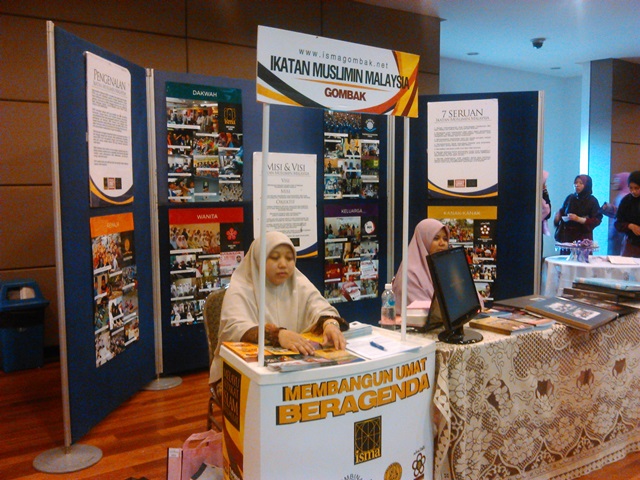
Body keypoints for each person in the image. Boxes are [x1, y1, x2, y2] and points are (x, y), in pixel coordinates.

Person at [209, 231, 348, 386]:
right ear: (259, 260)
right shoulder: (240, 289)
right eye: (275, 257)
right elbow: (234, 328)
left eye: (289, 258)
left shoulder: (298, 283)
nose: (283, 264)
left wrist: (329, 324)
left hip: (295, 370)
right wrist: (277, 335)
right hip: (244, 375)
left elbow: (320, 307)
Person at [391, 219, 450, 311]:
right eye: (436, 238)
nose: (442, 243)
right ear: (423, 240)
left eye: (445, 239)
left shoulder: (440, 267)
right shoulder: (410, 274)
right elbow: (426, 312)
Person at [553, 174, 602, 252]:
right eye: (575, 183)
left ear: (587, 185)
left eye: (581, 183)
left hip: (583, 238)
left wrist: (578, 219)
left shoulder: (592, 201)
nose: (577, 185)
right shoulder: (570, 198)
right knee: (566, 258)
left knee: (581, 258)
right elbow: (562, 212)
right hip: (567, 237)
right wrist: (557, 217)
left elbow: (597, 220)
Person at [601, 172, 630, 255]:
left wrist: (610, 208)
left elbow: (621, 214)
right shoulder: (623, 195)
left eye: (617, 180)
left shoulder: (624, 196)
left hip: (619, 233)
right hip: (619, 232)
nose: (614, 182)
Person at [614, 170, 640, 257]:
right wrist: (630, 226)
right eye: (631, 188)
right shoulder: (626, 200)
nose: (633, 191)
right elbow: (618, 223)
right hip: (631, 244)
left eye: (636, 188)